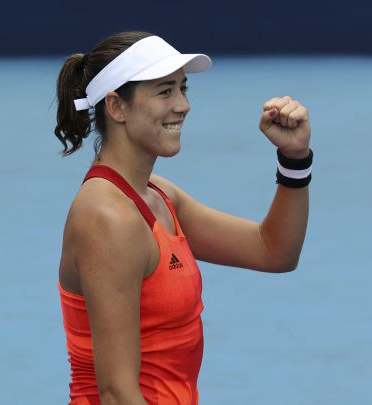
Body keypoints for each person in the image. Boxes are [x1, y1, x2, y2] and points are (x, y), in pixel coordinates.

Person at [54, 31, 312, 405]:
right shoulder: (108, 218)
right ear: (117, 107)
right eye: (165, 92)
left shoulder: (157, 195)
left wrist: (295, 159)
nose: (183, 105)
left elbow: (274, 251)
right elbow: (117, 394)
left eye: (183, 88)